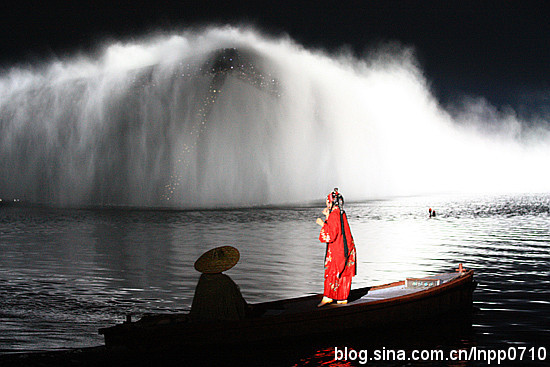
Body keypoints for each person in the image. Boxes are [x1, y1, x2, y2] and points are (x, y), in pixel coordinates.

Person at [316, 189, 357, 307]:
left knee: (332, 271)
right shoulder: (340, 212)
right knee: (344, 273)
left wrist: (322, 223)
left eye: (327, 203)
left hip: (338, 249)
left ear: (331, 203)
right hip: (347, 248)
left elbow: (331, 234)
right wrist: (328, 215)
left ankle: (328, 297)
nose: (326, 205)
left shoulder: (334, 215)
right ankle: (342, 298)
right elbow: (338, 228)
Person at [190, 245, 248, 321]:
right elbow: (237, 302)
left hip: (202, 318)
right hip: (223, 319)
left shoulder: (203, 279)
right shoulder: (224, 280)